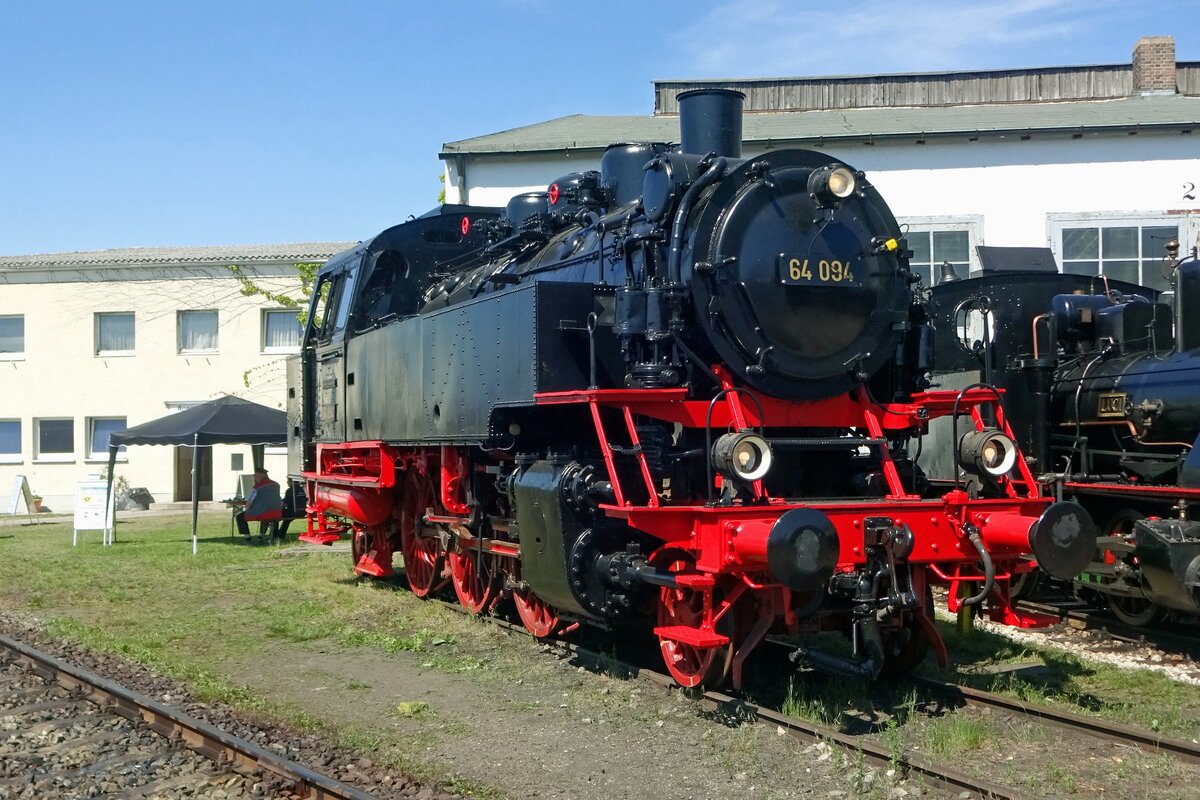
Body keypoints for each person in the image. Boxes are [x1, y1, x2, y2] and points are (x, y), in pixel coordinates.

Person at [234, 468, 282, 539]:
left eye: (255, 475)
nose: (254, 477)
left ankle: (247, 536)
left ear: (259, 475)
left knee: (240, 516)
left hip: (261, 512)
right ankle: (261, 534)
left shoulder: (257, 487)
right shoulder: (276, 485)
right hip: (276, 511)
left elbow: (249, 502)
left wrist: (247, 508)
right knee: (267, 516)